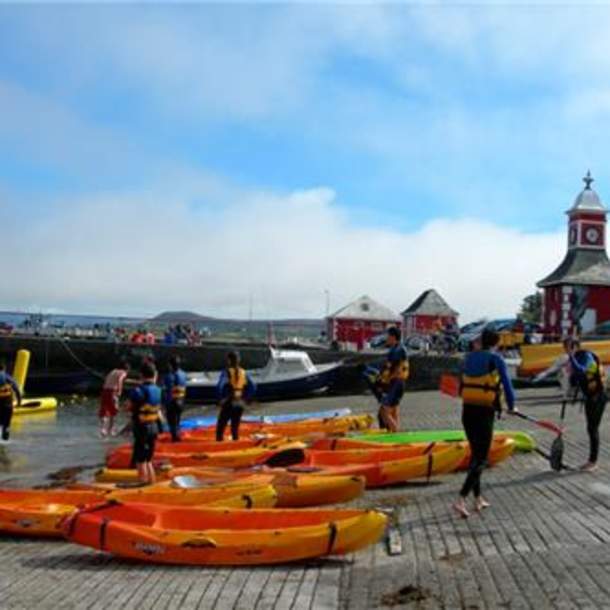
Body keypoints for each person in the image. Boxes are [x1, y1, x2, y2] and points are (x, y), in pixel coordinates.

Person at [453, 329, 516, 518]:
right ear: (495, 343)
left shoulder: (468, 358)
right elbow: (507, 384)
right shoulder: (496, 359)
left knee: (475, 455)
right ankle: (461, 499)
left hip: (467, 411)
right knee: (481, 458)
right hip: (484, 413)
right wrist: (512, 406)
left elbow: (460, 388)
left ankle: (478, 498)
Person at [567, 339, 607, 472]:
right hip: (590, 397)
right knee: (591, 428)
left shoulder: (587, 356)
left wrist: (571, 358)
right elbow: (575, 380)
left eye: (569, 348)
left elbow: (583, 370)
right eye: (565, 348)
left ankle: (593, 462)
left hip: (598, 397)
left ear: (576, 347)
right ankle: (592, 460)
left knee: (592, 428)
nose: (567, 350)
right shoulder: (575, 358)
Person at [364, 327, 409, 432]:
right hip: (398, 383)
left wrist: (379, 380)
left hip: (396, 383)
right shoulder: (399, 348)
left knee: (384, 412)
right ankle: (393, 434)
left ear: (393, 337)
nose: (386, 338)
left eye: (388, 336)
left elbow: (388, 369)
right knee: (393, 411)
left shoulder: (397, 350)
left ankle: (396, 435)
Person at [125, 361, 162, 484]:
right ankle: (152, 482)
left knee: (140, 459)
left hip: (142, 428)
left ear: (141, 375)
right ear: (155, 375)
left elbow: (128, 407)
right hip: (154, 427)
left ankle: (142, 483)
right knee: (148, 458)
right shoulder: (158, 390)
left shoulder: (138, 390)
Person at [216, 351, 255, 441]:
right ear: (239, 360)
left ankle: (218, 447)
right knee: (235, 428)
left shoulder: (226, 372)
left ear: (229, 361)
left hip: (229, 402)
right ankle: (235, 445)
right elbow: (253, 386)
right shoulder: (244, 372)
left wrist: (220, 399)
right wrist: (246, 399)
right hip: (240, 403)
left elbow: (220, 386)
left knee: (220, 428)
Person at [99, 360, 130, 438]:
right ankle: (110, 430)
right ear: (126, 369)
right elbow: (120, 380)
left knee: (104, 410)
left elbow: (107, 380)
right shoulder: (123, 372)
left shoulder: (113, 371)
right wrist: (120, 390)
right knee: (114, 411)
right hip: (112, 391)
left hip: (104, 391)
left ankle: (103, 429)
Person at [163, 355, 187, 442]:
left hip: (172, 402)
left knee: (172, 422)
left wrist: (165, 405)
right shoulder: (184, 374)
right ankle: (177, 436)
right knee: (177, 421)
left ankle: (175, 439)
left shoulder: (168, 376)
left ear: (170, 365)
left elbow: (168, 392)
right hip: (181, 401)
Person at [0, 361, 21, 441]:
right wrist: (19, 402)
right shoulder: (8, 377)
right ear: (4, 369)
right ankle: (4, 448)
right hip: (7, 405)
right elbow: (17, 390)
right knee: (6, 426)